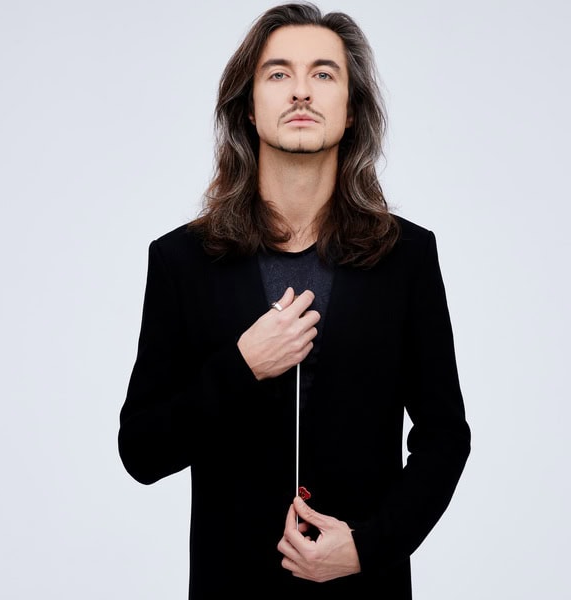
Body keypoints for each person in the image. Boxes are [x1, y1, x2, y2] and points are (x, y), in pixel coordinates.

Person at [118, 3, 471, 598]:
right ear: (248, 107)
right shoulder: (181, 260)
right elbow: (142, 449)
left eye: (323, 74)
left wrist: (368, 547)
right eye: (278, 73)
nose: (301, 91)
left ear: (352, 109)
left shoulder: (407, 256)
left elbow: (445, 436)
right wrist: (242, 367)